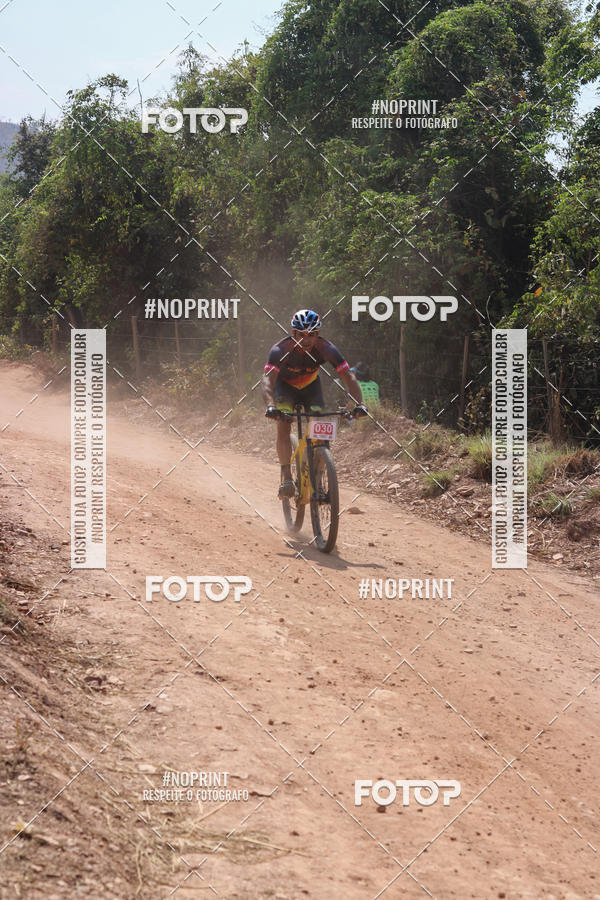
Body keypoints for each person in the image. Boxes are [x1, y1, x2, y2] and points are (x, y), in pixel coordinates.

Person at [262, 309, 367, 498]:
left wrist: (359, 403)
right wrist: (271, 406)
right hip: (285, 388)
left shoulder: (327, 348)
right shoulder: (280, 350)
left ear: (318, 334)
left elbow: (348, 376)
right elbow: (267, 380)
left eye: (311, 335)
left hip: (311, 388)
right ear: (293, 333)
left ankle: (318, 480)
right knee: (284, 424)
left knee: (321, 427)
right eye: (301, 335)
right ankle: (286, 478)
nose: (306, 340)